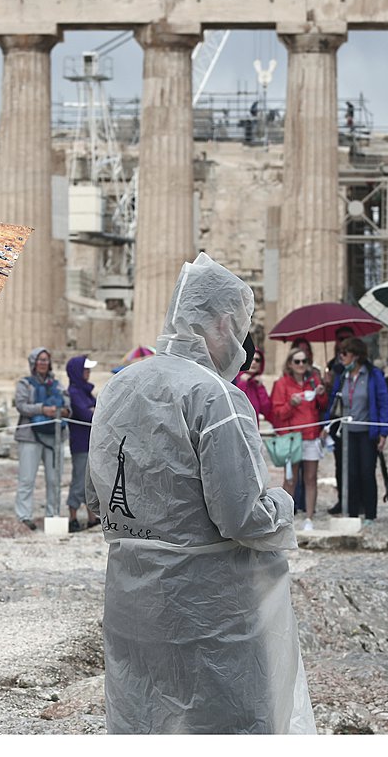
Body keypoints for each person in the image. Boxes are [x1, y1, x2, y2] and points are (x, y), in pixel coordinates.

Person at [85, 253, 313, 734]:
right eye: (244, 327)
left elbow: (97, 494)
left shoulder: (119, 387)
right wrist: (284, 504)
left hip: (132, 593)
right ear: (225, 321)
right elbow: (241, 516)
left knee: (143, 716)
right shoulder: (216, 396)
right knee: (223, 720)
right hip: (207, 604)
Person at [326, 337, 388, 521]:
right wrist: (326, 424)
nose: (341, 357)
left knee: (367, 472)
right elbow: (334, 400)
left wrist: (383, 432)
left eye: (345, 353)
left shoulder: (373, 374)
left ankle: (370, 514)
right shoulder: (342, 376)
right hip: (347, 433)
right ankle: (352, 513)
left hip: (367, 432)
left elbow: (383, 402)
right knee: (350, 473)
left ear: (356, 355)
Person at [270, 347, 327, 530]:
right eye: (297, 361)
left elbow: (323, 406)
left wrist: (321, 393)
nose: (301, 365)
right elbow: (277, 412)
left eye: (304, 361)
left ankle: (309, 518)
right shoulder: (281, 384)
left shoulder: (313, 382)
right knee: (290, 479)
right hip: (292, 437)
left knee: (311, 478)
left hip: (311, 435)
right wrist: (290, 405)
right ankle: (287, 519)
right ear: (290, 364)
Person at [13, 347, 69, 531]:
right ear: (33, 362)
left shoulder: (57, 384)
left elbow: (68, 404)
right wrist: (43, 409)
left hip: (54, 436)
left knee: (54, 479)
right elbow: (21, 405)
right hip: (30, 436)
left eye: (46, 360)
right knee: (27, 479)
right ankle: (24, 516)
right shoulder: (24, 384)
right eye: (40, 360)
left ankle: (53, 513)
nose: (43, 363)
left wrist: (63, 411)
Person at [65, 354, 100, 532]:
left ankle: (91, 516)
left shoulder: (85, 390)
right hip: (80, 443)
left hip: (91, 443)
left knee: (91, 481)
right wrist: (94, 411)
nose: (88, 372)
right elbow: (88, 415)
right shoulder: (74, 392)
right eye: (85, 369)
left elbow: (96, 411)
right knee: (79, 481)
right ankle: (72, 516)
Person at [324, 326, 356, 516]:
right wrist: (327, 384)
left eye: (347, 338)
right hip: (336, 417)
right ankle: (342, 499)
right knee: (340, 462)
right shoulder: (332, 364)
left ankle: (356, 501)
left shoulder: (356, 365)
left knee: (357, 463)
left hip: (355, 416)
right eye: (340, 338)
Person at [233, 344, 274, 427]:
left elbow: (267, 410)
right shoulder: (234, 378)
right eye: (251, 359)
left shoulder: (257, 383)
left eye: (257, 360)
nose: (254, 362)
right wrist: (242, 383)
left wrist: (260, 387)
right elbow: (236, 403)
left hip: (254, 429)